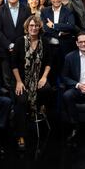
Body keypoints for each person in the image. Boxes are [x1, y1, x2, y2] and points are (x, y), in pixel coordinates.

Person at [11, 16, 52, 150]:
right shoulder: (19, 42)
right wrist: (18, 81)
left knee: (46, 89)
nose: (33, 28)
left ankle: (40, 108)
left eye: (36, 26)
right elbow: (14, 64)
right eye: (31, 26)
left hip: (39, 79)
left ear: (40, 27)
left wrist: (44, 77)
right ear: (27, 28)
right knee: (21, 101)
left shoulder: (44, 42)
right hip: (22, 80)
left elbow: (48, 62)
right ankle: (21, 136)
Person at [0, 0, 30, 91]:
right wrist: (9, 45)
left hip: (23, 51)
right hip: (5, 51)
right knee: (7, 80)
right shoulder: (0, 10)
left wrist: (19, 46)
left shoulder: (27, 9)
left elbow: (29, 30)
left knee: (23, 78)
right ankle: (11, 105)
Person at [41, 0, 75, 85]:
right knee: (50, 76)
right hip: (49, 47)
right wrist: (59, 33)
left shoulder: (68, 11)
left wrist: (54, 26)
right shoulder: (44, 11)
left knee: (64, 76)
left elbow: (71, 27)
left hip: (63, 48)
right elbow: (45, 28)